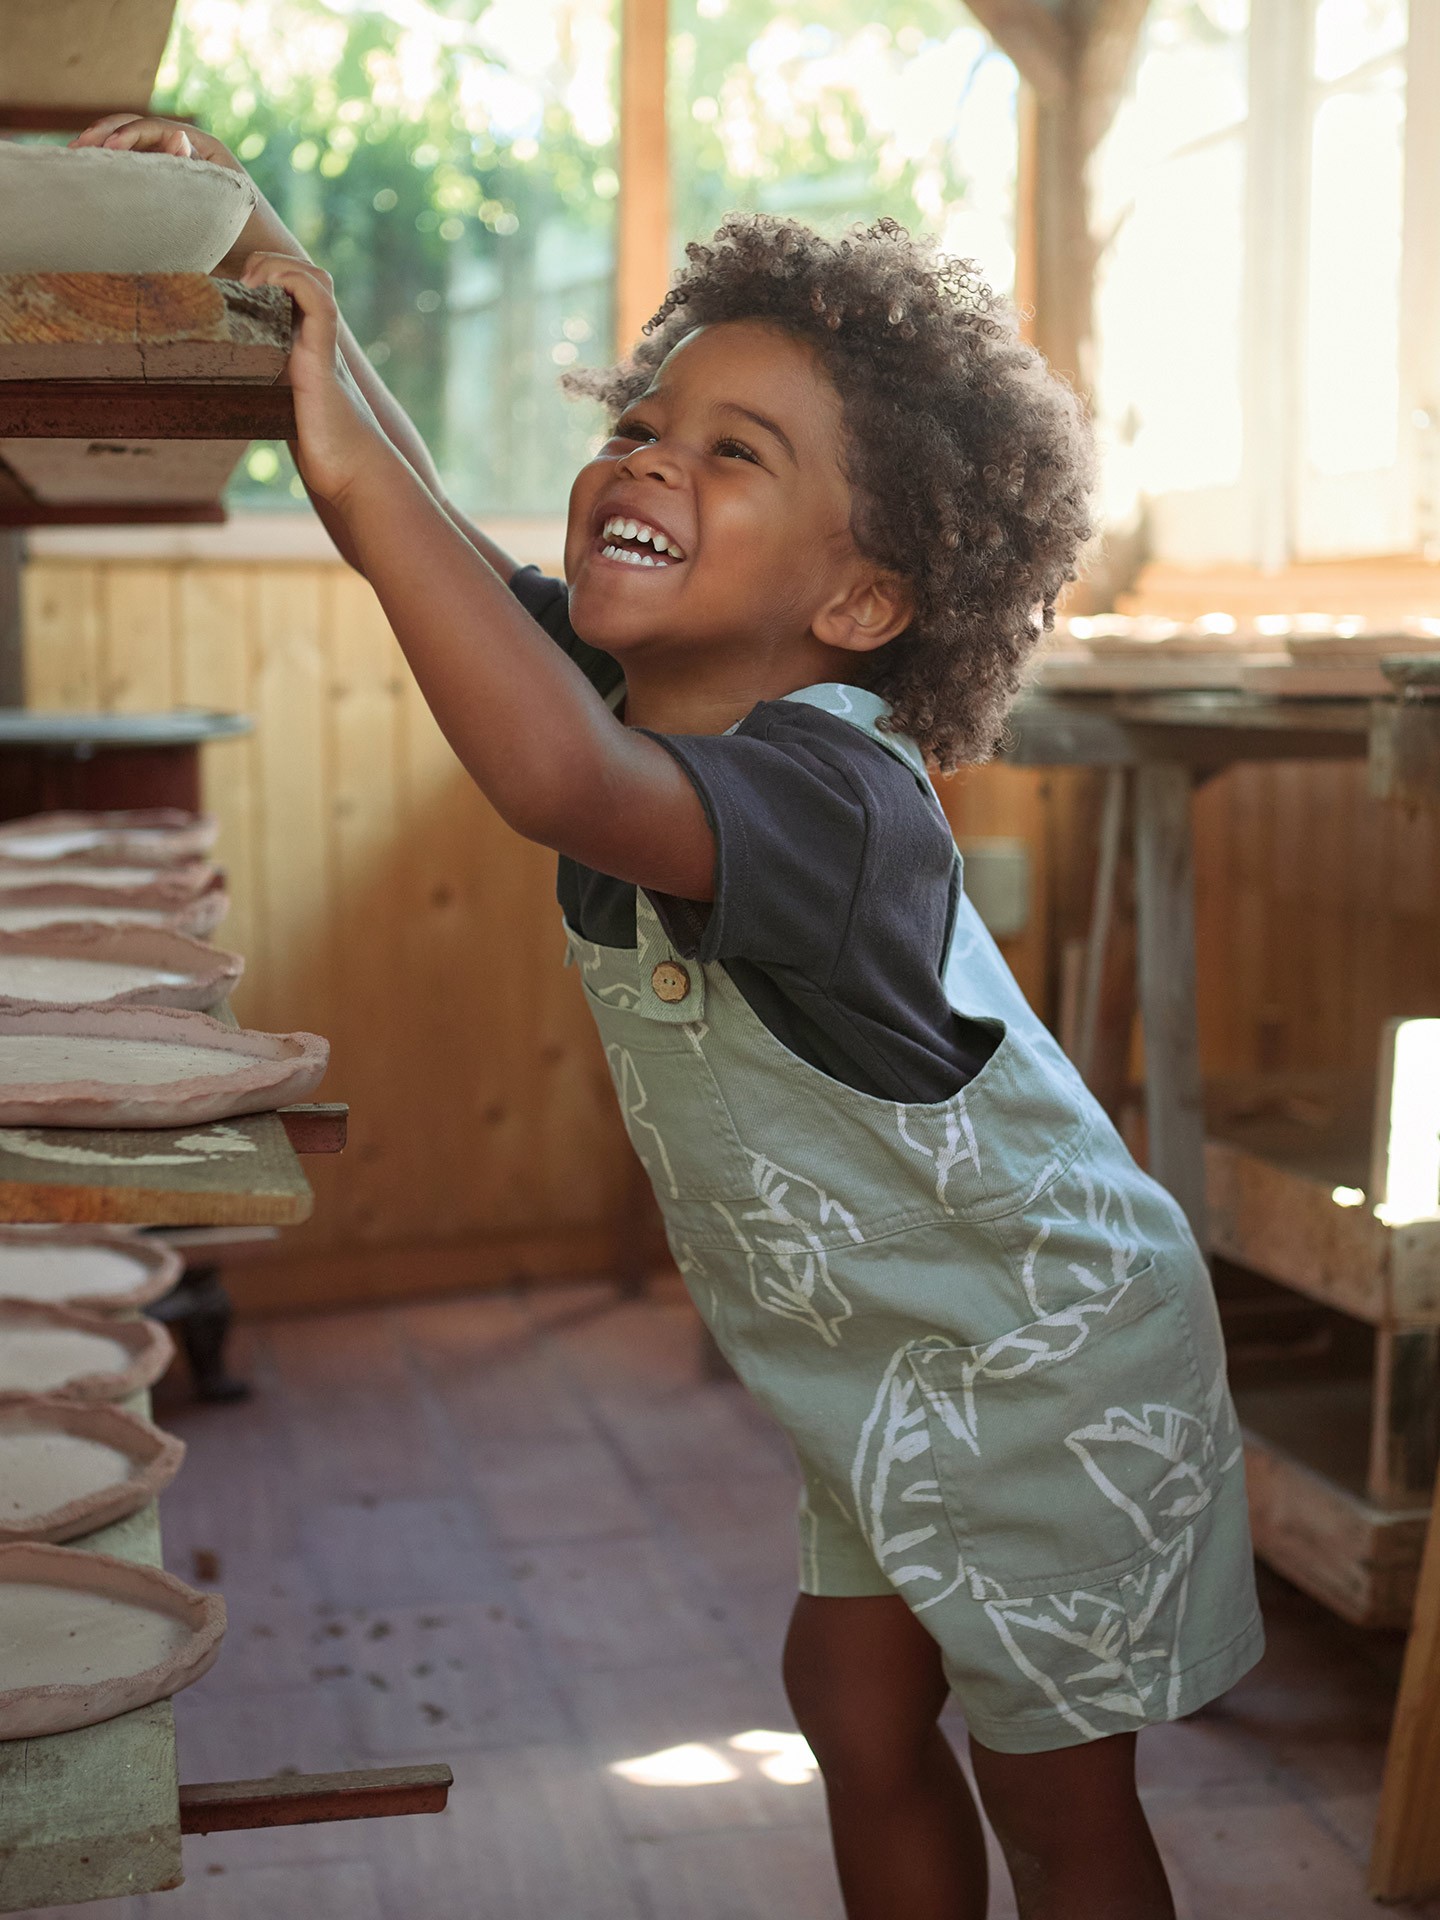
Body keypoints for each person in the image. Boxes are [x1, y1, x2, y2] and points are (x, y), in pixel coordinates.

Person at [76, 111, 1264, 1920]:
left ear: (861, 601)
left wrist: (335, 458)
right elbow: (462, 577)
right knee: (852, 1700)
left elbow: (552, 775)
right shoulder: (641, 711)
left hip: (1048, 1365)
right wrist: (270, 256)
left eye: (737, 453)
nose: (648, 457)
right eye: (640, 422)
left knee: (1051, 1787)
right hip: (891, 1361)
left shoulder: (828, 803)